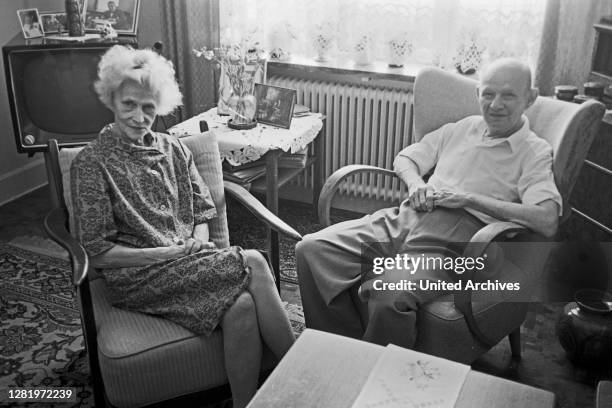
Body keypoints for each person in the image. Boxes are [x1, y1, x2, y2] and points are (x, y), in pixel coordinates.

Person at [70, 45, 294, 408]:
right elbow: (98, 254)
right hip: (138, 276)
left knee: (240, 308)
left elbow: (204, 212)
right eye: (129, 104)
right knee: (252, 260)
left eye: (148, 107)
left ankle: (244, 403)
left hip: (187, 261)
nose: (139, 117)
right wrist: (168, 251)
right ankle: (300, 370)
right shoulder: (92, 164)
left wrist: (197, 241)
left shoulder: (176, 149)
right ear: (111, 98)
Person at [296, 58, 562, 349]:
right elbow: (406, 158)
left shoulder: (533, 152)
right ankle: (338, 350)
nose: (496, 104)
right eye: (488, 93)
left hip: (462, 238)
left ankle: (384, 376)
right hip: (407, 216)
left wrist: (472, 200)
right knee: (311, 250)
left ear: (530, 98)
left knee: (389, 294)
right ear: (477, 95)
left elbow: (547, 220)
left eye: (508, 95)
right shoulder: (462, 128)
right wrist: (416, 184)